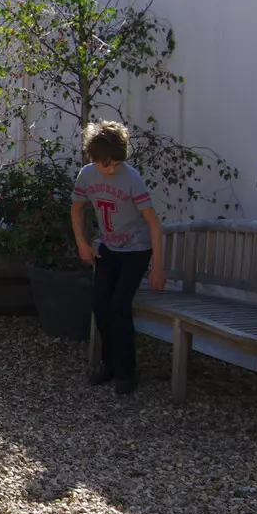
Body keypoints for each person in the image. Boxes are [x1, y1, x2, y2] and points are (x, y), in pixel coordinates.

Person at [71, 120, 166, 396]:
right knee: (100, 305)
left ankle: (127, 371)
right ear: (94, 157)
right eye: (105, 164)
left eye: (115, 163)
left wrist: (157, 267)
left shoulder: (131, 178)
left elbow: (154, 225)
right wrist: (83, 244)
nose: (111, 169)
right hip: (108, 248)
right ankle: (108, 364)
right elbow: (77, 210)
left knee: (119, 306)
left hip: (136, 249)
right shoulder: (87, 175)